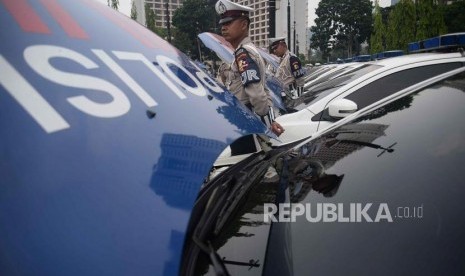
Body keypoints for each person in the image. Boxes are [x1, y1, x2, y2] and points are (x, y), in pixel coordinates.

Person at [215, 0, 284, 138]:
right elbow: (262, 90)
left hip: (245, 124)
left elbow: (257, 95)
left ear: (244, 25)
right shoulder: (241, 53)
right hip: (243, 122)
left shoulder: (244, 54)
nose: (223, 27)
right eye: (222, 24)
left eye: (228, 23)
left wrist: (267, 124)